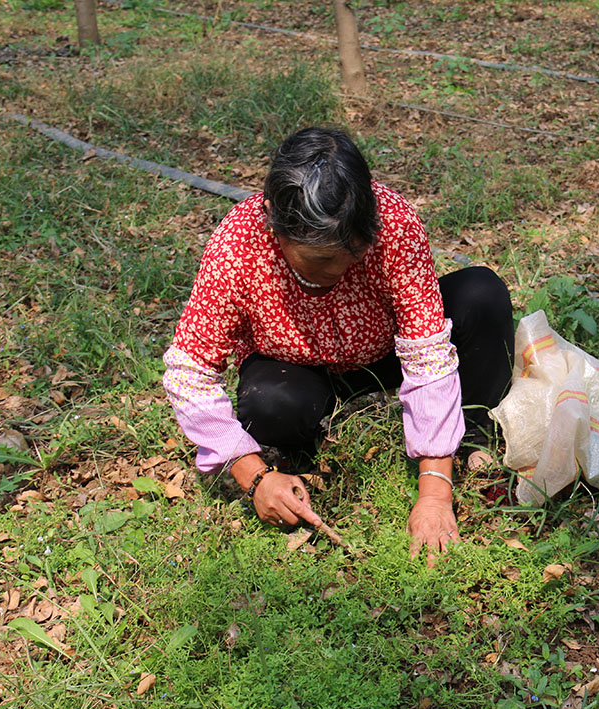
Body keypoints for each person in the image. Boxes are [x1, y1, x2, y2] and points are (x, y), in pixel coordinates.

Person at [163, 127, 515, 565]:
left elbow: (425, 348)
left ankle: (473, 437)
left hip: (387, 353)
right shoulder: (238, 244)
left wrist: (434, 493)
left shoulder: (395, 221)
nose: (343, 266)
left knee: (480, 294)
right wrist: (253, 476)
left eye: (355, 251)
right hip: (294, 368)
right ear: (274, 222)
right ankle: (291, 460)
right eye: (322, 258)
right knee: (271, 404)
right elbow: (189, 373)